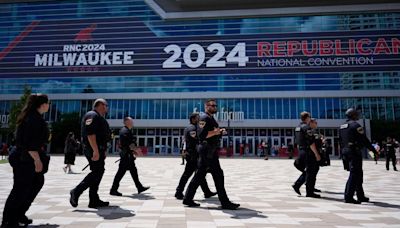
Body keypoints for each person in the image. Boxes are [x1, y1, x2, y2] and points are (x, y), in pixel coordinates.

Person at [2, 94, 50, 227]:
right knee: (20, 189)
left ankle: (19, 213)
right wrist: (37, 160)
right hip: (24, 158)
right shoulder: (33, 119)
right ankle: (8, 220)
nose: (49, 105)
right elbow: (29, 143)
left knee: (36, 182)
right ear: (42, 104)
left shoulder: (34, 117)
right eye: (48, 103)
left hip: (27, 157)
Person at [183, 99, 239, 210]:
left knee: (200, 175)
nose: (215, 107)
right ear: (206, 106)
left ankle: (188, 198)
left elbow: (212, 133)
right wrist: (217, 132)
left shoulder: (210, 118)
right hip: (207, 151)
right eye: (212, 105)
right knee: (218, 175)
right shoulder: (204, 118)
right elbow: (202, 135)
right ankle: (225, 202)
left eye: (215, 105)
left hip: (209, 151)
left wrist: (220, 132)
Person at [69, 98, 111, 209]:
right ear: (101, 105)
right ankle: (76, 191)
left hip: (98, 149)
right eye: (106, 105)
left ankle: (93, 200)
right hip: (93, 149)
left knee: (98, 172)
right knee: (97, 172)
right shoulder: (92, 115)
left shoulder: (99, 117)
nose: (107, 107)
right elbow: (91, 134)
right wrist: (96, 151)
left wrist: (103, 150)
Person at [339, 108, 378, 204]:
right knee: (354, 174)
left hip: (345, 151)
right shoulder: (355, 125)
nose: (358, 116)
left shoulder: (342, 126)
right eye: (357, 114)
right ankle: (348, 196)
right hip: (354, 152)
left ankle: (360, 195)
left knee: (358, 174)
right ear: (353, 115)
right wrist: (373, 151)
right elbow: (364, 140)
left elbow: (340, 141)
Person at [175, 113, 217, 200]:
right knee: (188, 174)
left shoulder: (190, 128)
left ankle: (207, 192)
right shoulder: (192, 128)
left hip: (193, 154)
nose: (200, 120)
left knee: (200, 174)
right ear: (193, 119)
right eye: (198, 118)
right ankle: (178, 192)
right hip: (193, 155)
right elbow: (197, 140)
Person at [110, 117, 150, 196]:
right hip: (126, 157)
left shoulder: (126, 130)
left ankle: (139, 187)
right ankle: (113, 190)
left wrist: (134, 151)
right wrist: (137, 151)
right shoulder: (125, 131)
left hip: (128, 155)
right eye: (131, 121)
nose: (132, 122)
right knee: (120, 173)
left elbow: (129, 144)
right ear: (127, 122)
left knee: (133, 171)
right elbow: (129, 144)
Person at [293, 112, 321, 198]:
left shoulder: (298, 127)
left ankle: (298, 185)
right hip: (308, 152)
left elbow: (297, 142)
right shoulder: (306, 127)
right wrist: (317, 154)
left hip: (302, 151)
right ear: (307, 118)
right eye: (310, 117)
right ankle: (309, 192)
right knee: (311, 171)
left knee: (310, 171)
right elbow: (311, 142)